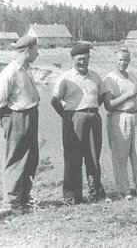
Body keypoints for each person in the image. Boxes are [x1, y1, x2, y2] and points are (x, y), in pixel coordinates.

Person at [51, 44, 107, 204]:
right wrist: (68, 116)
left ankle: (95, 192)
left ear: (89, 58)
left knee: (93, 156)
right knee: (72, 157)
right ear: (73, 59)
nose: (82, 62)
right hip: (73, 117)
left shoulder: (96, 77)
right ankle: (72, 196)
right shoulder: (65, 77)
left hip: (93, 118)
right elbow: (54, 101)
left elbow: (101, 96)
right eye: (79, 59)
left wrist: (91, 110)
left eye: (85, 58)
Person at [0, 35, 40, 214]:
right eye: (35, 50)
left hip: (31, 115)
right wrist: (9, 121)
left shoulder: (25, 70)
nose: (38, 53)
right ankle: (11, 204)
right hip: (17, 117)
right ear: (27, 51)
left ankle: (23, 200)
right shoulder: (9, 73)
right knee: (16, 159)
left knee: (31, 158)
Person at [103, 46, 137, 200]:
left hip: (134, 117)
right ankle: (124, 190)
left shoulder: (132, 76)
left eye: (126, 60)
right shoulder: (110, 79)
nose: (123, 63)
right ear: (115, 60)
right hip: (118, 118)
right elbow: (108, 105)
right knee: (120, 156)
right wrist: (129, 94)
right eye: (120, 60)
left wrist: (136, 100)